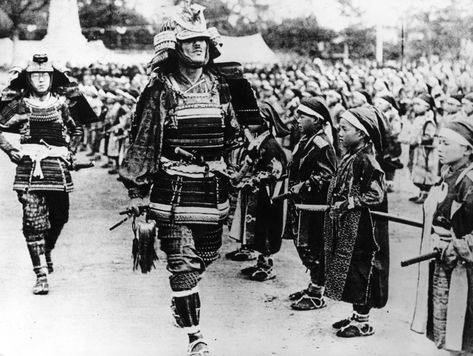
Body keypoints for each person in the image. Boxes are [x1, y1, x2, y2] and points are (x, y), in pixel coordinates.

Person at [119, 3, 241, 355]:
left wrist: (232, 167)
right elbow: (142, 141)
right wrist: (137, 192)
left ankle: (183, 299)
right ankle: (196, 337)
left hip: (213, 190)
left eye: (203, 40)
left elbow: (233, 135)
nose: (199, 46)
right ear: (175, 48)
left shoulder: (220, 87)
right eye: (190, 41)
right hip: (172, 190)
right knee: (183, 264)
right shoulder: (161, 89)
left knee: (206, 255)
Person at [0, 54, 92, 295]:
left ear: (52, 78)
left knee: (60, 217)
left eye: (45, 75)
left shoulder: (62, 103)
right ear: (27, 78)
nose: (40, 80)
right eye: (35, 75)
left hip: (58, 170)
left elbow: (77, 128)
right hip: (29, 169)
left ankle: (47, 249)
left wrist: (70, 153)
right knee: (32, 222)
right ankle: (41, 274)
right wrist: (10, 150)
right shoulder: (19, 103)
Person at [324, 106, 389, 337]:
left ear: (361, 133)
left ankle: (363, 321)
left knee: (363, 270)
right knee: (351, 270)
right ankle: (356, 314)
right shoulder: (351, 156)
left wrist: (349, 202)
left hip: (365, 229)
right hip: (352, 225)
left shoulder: (366, 160)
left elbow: (376, 194)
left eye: (344, 129)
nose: (339, 133)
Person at [411, 119, 473, 356]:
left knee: (464, 326)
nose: (439, 148)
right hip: (443, 260)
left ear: (467, 149)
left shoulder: (469, 183)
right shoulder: (448, 174)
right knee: (446, 323)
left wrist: (456, 246)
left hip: (464, 266)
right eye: (438, 142)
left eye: (446, 143)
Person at [286, 97, 338, 310]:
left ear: (316, 121)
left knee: (314, 246)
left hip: (314, 206)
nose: (297, 119)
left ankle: (317, 292)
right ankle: (313, 285)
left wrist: (304, 185)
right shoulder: (307, 139)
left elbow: (328, 175)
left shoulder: (321, 144)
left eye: (302, 116)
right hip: (303, 204)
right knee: (303, 244)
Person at [231, 101, 290, 281]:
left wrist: (254, 179)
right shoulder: (257, 141)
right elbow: (249, 162)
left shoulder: (271, 145)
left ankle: (267, 266)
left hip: (269, 194)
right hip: (258, 192)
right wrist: (237, 177)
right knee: (257, 227)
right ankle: (260, 262)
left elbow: (276, 171)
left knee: (265, 227)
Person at [409, 93, 439, 204]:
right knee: (418, 172)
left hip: (426, 151)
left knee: (425, 172)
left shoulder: (429, 120)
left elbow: (429, 136)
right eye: (414, 104)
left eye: (418, 104)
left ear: (427, 107)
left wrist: (419, 140)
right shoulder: (419, 118)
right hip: (419, 150)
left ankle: (425, 194)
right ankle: (420, 193)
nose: (415, 107)